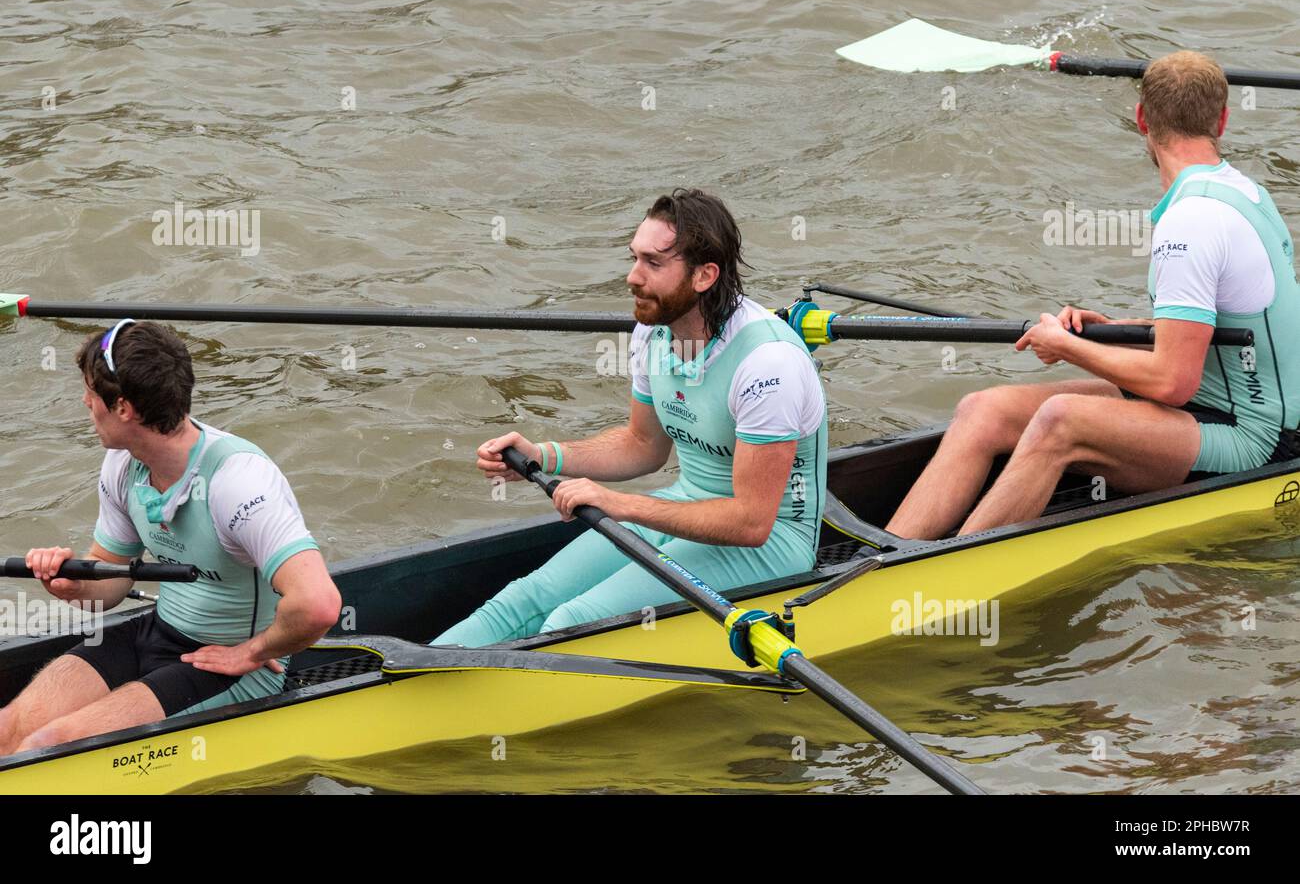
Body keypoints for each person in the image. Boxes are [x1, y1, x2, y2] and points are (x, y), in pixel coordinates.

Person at [887, 50, 1300, 540]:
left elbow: (1173, 383)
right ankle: (887, 554)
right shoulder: (1243, 192)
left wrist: (1068, 348)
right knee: (984, 409)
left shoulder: (1192, 222)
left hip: (1254, 439)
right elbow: (1208, 335)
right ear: (1223, 121)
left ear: (1142, 118)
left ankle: (933, 580)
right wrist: (1111, 332)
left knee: (1060, 420)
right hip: (1213, 403)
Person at [434, 189, 828, 646]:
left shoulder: (768, 365)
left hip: (772, 544)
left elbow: (750, 522)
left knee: (570, 621)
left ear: (704, 275)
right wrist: (543, 455)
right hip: (683, 506)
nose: (632, 277)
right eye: (634, 258)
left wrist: (620, 504)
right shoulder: (652, 332)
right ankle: (406, 689)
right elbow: (643, 447)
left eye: (653, 264)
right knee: (524, 598)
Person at [0, 320, 341, 755]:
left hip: (229, 664)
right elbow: (111, 584)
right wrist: (70, 582)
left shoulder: (238, 481)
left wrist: (252, 653)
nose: (85, 401)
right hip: (156, 631)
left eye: (90, 391)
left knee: (49, 746)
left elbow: (318, 605)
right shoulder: (124, 465)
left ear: (123, 407)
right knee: (9, 728)